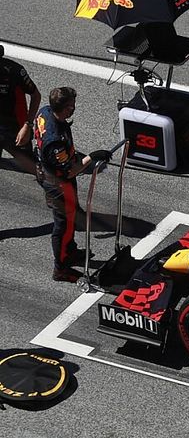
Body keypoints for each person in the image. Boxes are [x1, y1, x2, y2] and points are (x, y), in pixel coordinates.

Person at [33, 87, 112, 283]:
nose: (74, 108)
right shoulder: (55, 141)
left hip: (55, 173)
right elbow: (70, 170)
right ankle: (60, 269)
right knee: (63, 225)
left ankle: (69, 251)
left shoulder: (45, 110)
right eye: (72, 106)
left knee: (71, 217)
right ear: (66, 109)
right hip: (57, 181)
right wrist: (91, 158)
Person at [0, 44, 41, 174]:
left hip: (15, 126)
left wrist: (27, 126)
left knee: (34, 168)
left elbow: (36, 95)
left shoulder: (15, 71)